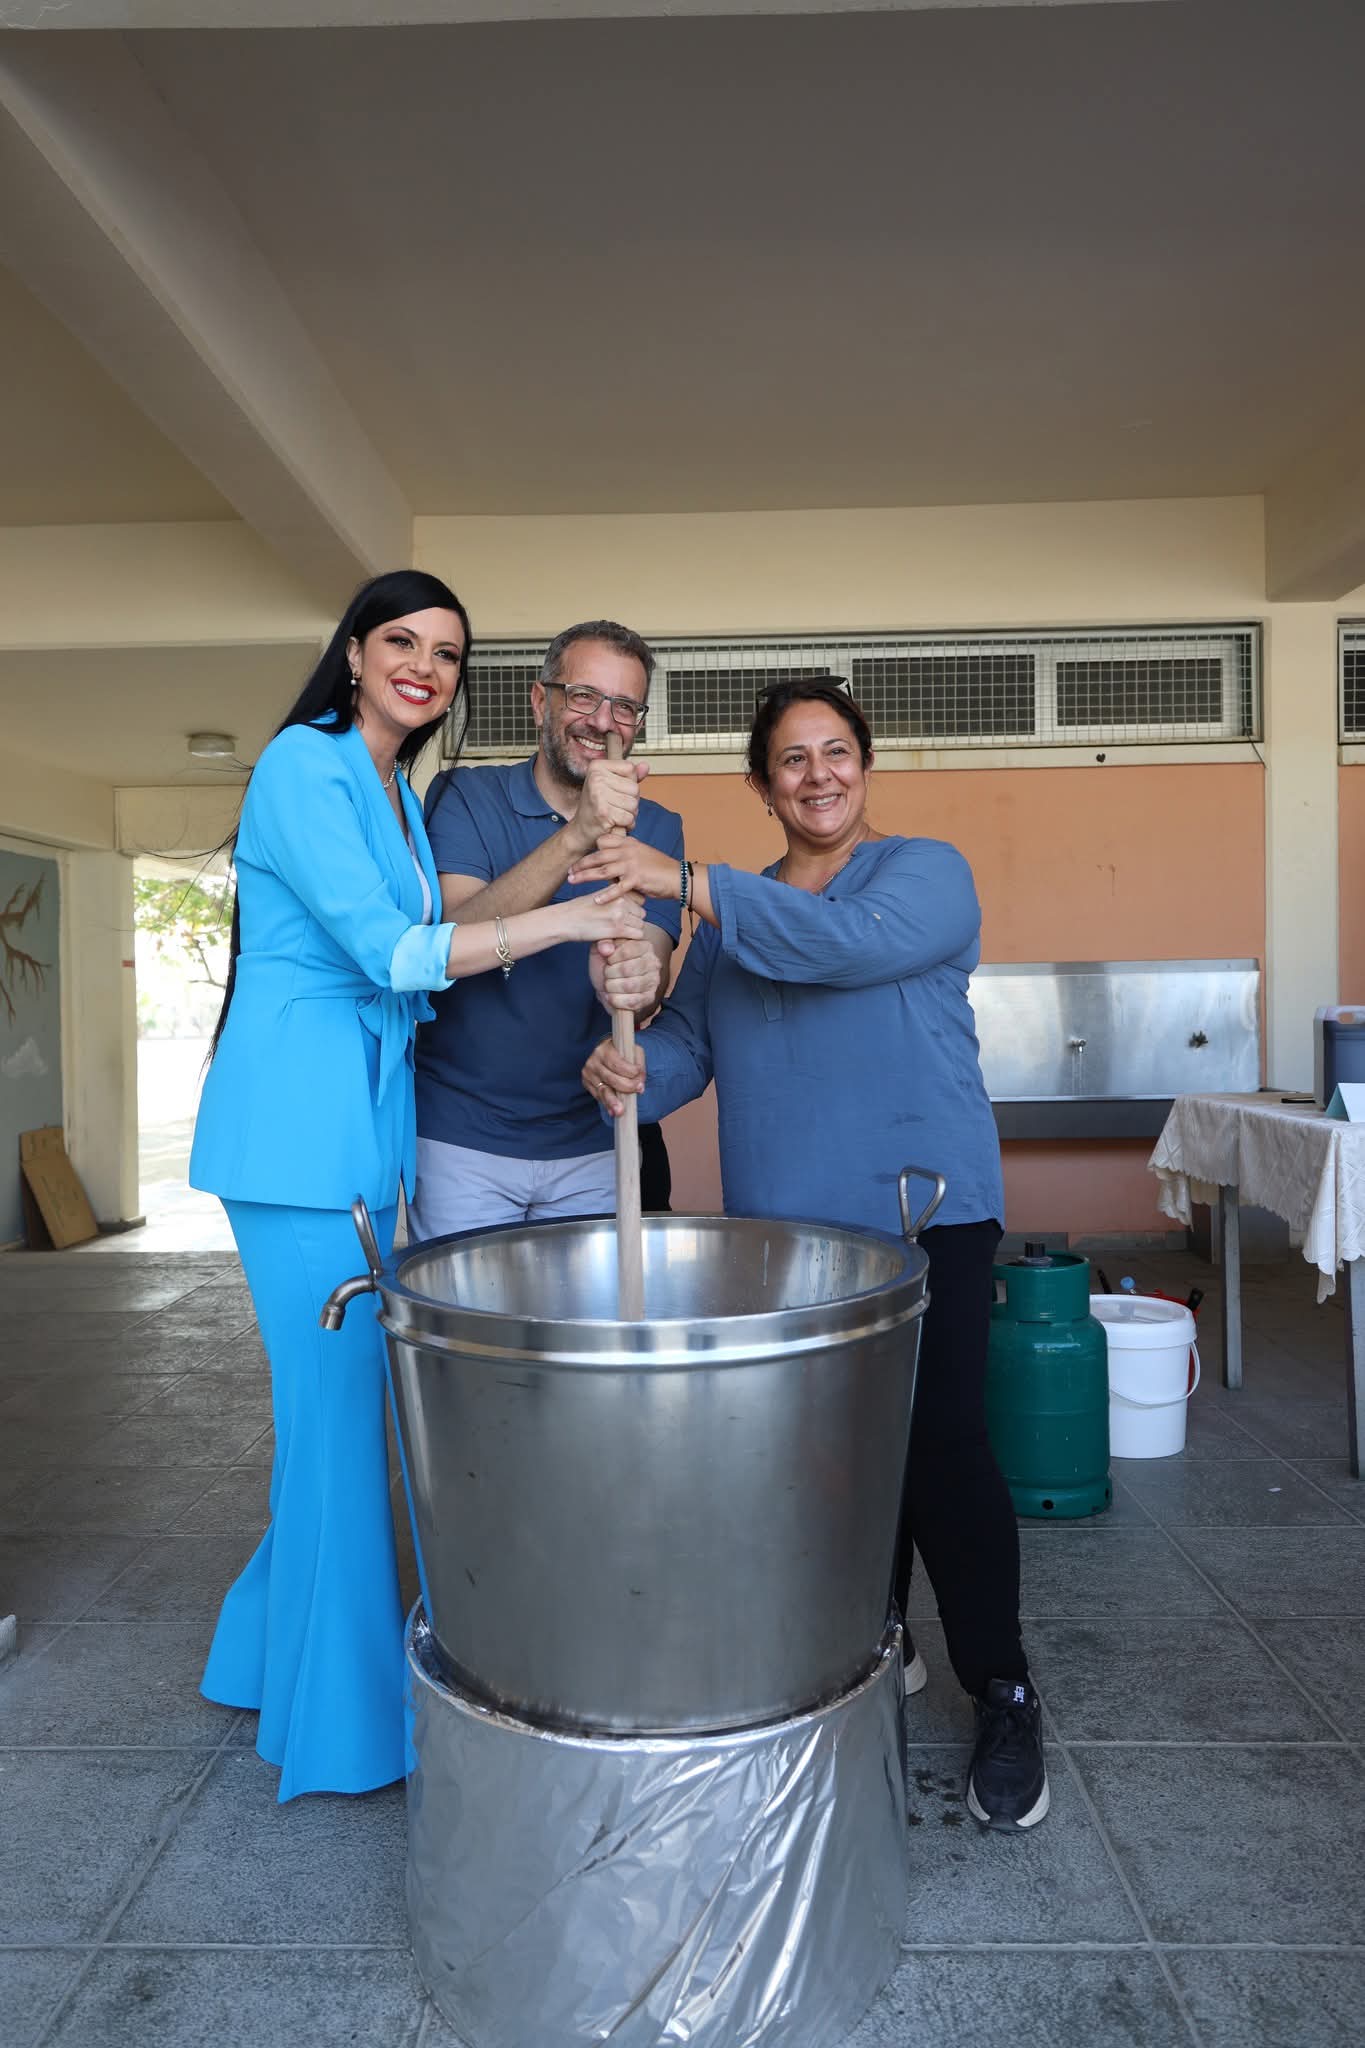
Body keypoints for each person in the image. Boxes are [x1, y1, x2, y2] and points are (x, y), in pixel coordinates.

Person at [189, 570, 643, 1802]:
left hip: (363, 1129)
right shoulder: (304, 764)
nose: (424, 666)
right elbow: (398, 955)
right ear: (352, 651)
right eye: (401, 640)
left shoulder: (392, 788)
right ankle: (342, 1734)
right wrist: (571, 918)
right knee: (342, 1426)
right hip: (296, 1134)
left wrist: (590, 897)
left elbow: (432, 945)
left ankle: (253, 1654)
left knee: (337, 1418)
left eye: (446, 652)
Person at [575, 677, 1049, 1833]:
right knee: (828, 1458)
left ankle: (1004, 1685)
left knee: (939, 1446)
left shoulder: (921, 875)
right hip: (792, 1236)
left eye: (837, 751)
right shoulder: (726, 925)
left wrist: (685, 879)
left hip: (923, 1213)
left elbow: (839, 947)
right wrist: (625, 1068)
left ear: (864, 765)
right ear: (763, 782)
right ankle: (874, 1644)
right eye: (792, 758)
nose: (818, 774)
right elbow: (687, 1052)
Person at [409, 620, 684, 1236]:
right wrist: (579, 833)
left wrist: (634, 979)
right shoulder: (465, 794)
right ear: (541, 701)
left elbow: (650, 975)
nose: (603, 721)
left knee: (588, 1305)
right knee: (470, 1304)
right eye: (583, 696)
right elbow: (452, 937)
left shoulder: (658, 826)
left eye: (624, 707)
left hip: (594, 1136)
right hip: (462, 1138)